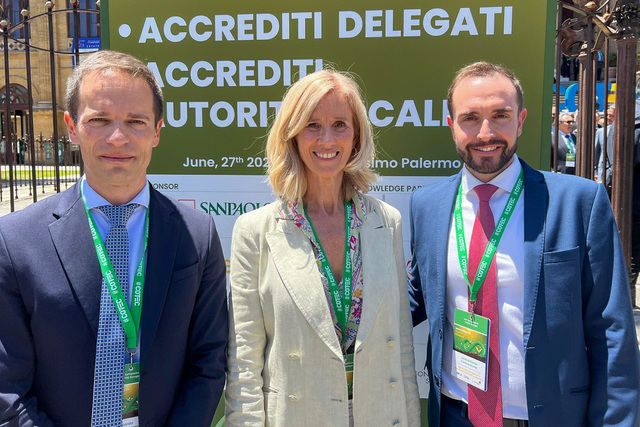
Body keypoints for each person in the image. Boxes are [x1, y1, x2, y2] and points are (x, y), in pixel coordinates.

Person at [0, 50, 228, 426]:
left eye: (136, 121)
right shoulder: (15, 241)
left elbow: (208, 362)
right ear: (72, 127)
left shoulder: (197, 237)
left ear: (157, 131)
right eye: (100, 120)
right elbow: (8, 389)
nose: (118, 137)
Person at [409, 62, 639, 426]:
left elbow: (612, 331)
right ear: (452, 126)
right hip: (455, 415)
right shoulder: (428, 206)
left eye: (500, 115)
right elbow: (413, 297)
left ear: (521, 119)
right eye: (470, 118)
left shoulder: (578, 202)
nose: (486, 132)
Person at [225, 69, 420, 426]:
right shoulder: (255, 231)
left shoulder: (385, 221)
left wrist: (408, 416)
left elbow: (401, 345)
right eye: (312, 125)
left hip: (377, 414)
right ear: (292, 135)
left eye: (340, 125)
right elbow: (244, 360)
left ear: (356, 135)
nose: (326, 139)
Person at [594, 107, 615, 189]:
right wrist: (595, 172)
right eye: (607, 115)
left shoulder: (626, 131)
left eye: (611, 115)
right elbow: (596, 153)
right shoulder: (601, 132)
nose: (608, 118)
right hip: (603, 172)